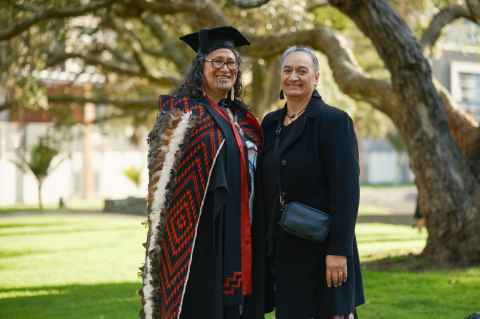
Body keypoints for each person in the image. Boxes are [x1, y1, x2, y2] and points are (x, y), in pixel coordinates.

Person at [140, 26, 267, 319]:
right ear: (201, 68)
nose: (226, 68)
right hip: (202, 237)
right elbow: (165, 183)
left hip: (243, 229)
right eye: (218, 61)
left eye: (232, 63)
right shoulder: (183, 116)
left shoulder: (242, 118)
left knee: (240, 304)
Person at [258, 46, 365, 319]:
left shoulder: (334, 121)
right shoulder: (270, 124)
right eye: (288, 70)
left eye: (302, 71)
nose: (294, 76)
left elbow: (347, 192)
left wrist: (339, 251)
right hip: (283, 250)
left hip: (324, 250)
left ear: (316, 77)